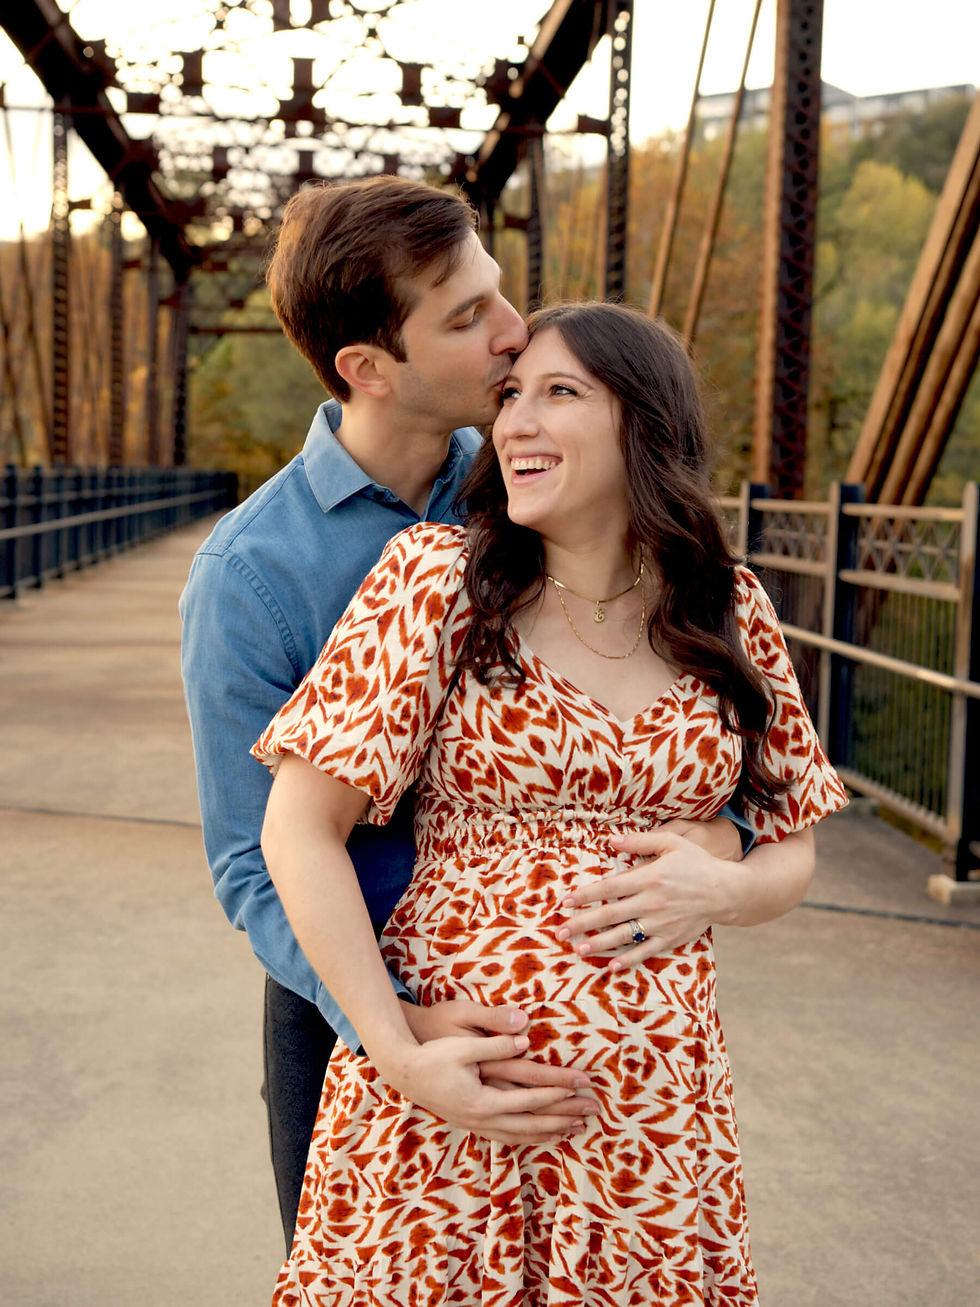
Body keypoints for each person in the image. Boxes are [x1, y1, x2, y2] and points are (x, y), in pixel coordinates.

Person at [179, 178, 747, 1248]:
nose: (511, 331)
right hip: (361, 1013)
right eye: (465, 317)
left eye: (499, 293)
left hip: (592, 1019)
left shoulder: (541, 479)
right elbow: (254, 858)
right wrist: (392, 1027)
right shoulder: (252, 574)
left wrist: (718, 845)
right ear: (367, 369)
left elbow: (694, 712)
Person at [253, 301, 849, 1304]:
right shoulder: (437, 583)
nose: (515, 422)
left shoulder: (725, 604)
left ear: (644, 424)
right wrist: (395, 1051)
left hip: (651, 1120)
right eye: (510, 395)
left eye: (559, 393)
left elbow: (791, 840)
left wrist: (725, 886)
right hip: (453, 1102)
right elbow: (297, 828)